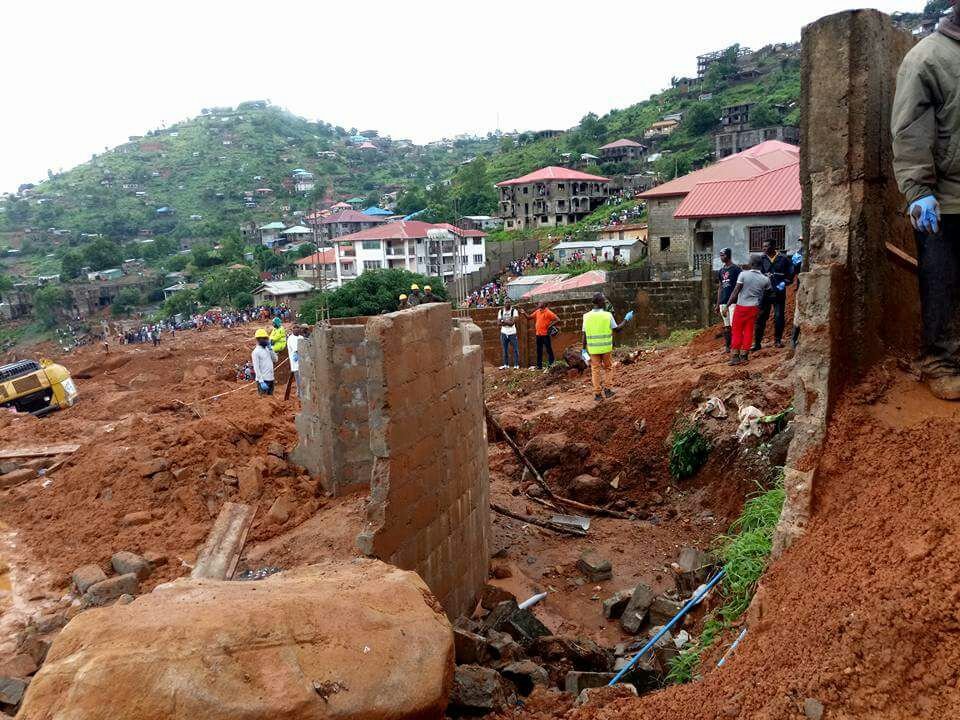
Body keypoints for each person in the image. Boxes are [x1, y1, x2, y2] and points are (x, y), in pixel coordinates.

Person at [893, 10, 960, 399]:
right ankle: (941, 362)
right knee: (941, 283)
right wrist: (919, 191)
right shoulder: (928, 58)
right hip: (946, 200)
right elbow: (910, 130)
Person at [581, 292, 633, 402]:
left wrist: (583, 349)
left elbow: (584, 334)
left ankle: (597, 394)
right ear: (600, 302)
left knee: (595, 370)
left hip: (593, 349)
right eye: (604, 300)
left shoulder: (586, 316)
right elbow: (617, 329)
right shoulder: (607, 315)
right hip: (606, 348)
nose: (605, 302)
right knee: (608, 368)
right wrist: (626, 319)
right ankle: (608, 390)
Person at [727, 254, 773, 366]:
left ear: (751, 264)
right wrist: (761, 307)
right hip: (754, 308)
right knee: (748, 330)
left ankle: (735, 356)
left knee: (737, 330)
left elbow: (735, 292)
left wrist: (728, 305)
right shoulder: (765, 279)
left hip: (741, 306)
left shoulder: (743, 274)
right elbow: (769, 293)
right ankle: (744, 355)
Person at [751, 240, 793, 350]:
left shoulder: (783, 259)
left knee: (779, 316)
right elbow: (756, 274)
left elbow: (790, 275)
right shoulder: (761, 259)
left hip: (778, 293)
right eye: (763, 246)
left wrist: (783, 283)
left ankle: (777, 340)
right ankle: (757, 343)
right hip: (764, 293)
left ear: (774, 246)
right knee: (760, 317)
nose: (764, 248)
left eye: (766, 246)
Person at [715, 248, 742, 353]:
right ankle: (727, 346)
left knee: (734, 325)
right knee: (727, 326)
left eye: (723, 255)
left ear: (728, 255)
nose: (721, 257)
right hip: (723, 302)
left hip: (734, 302)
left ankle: (736, 346)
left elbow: (740, 285)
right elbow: (720, 287)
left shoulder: (736, 269)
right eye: (720, 255)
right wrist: (718, 304)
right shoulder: (721, 271)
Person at [525, 301, 559, 371]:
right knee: (539, 351)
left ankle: (551, 365)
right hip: (538, 334)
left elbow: (557, 319)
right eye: (539, 303)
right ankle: (539, 366)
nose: (538, 304)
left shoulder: (548, 312)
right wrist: (523, 313)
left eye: (540, 303)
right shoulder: (537, 311)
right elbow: (529, 317)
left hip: (545, 335)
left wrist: (550, 326)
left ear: (544, 305)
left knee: (548, 350)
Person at [252, 328, 278, 395]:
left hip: (271, 379)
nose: (266, 340)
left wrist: (271, 350)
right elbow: (256, 368)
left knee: (271, 399)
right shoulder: (256, 352)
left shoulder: (268, 349)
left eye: (266, 338)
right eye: (263, 338)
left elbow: (275, 360)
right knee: (264, 400)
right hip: (263, 380)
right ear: (258, 339)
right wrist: (261, 381)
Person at [498, 300, 520, 369]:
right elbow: (498, 323)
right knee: (505, 350)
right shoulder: (501, 311)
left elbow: (512, 323)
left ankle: (516, 365)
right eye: (506, 302)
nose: (507, 303)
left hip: (512, 333)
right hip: (503, 333)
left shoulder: (514, 311)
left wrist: (503, 321)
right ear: (504, 303)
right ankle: (506, 364)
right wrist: (508, 321)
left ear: (510, 303)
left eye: (508, 302)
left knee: (515, 349)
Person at [287, 325, 304, 397]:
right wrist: (297, 353)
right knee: (298, 379)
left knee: (303, 379)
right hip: (295, 363)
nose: (296, 329)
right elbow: (295, 349)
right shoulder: (290, 339)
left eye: (297, 328)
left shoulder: (301, 337)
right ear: (292, 329)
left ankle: (302, 393)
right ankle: (300, 394)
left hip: (303, 362)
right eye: (294, 328)